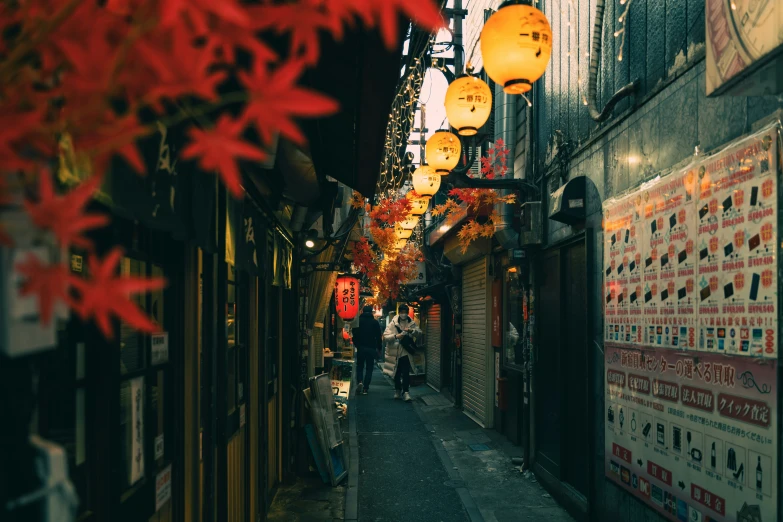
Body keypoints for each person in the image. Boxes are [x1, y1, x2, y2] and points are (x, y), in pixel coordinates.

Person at [383, 304, 421, 401]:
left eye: (405, 312)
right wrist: (396, 336)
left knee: (406, 372)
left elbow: (419, 333)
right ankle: (398, 390)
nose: (404, 314)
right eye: (402, 312)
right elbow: (385, 337)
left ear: (407, 313)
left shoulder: (411, 323)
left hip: (406, 352)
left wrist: (412, 331)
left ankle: (406, 392)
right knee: (396, 372)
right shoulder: (392, 324)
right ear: (399, 313)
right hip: (395, 352)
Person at [352, 305, 382, 395]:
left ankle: (360, 381)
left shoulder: (358, 322)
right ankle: (365, 388)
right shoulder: (375, 322)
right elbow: (378, 337)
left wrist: (357, 345)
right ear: (371, 312)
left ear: (362, 312)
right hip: (371, 348)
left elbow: (354, 335)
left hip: (361, 348)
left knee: (360, 366)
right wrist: (379, 348)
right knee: (369, 368)